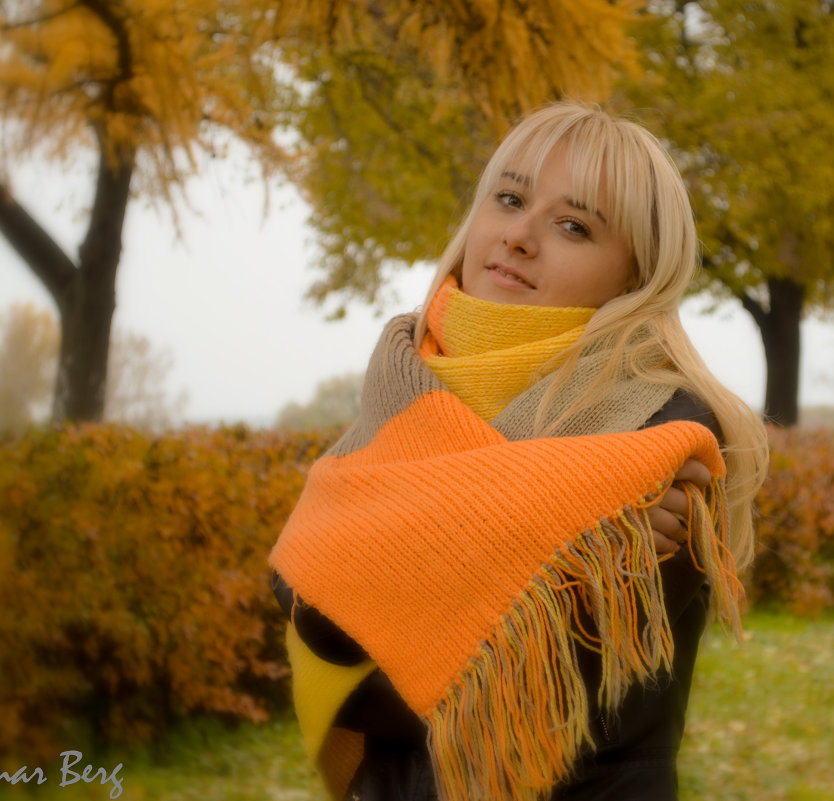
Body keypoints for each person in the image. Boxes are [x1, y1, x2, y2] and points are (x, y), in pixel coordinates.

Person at [270, 101, 769, 801]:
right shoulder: (402, 386)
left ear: (635, 276)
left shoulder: (659, 430)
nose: (519, 236)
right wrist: (552, 534)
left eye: (573, 225)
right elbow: (302, 608)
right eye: (508, 198)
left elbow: (526, 689)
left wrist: (388, 574)